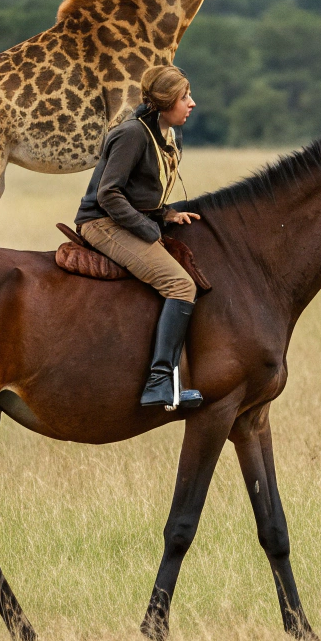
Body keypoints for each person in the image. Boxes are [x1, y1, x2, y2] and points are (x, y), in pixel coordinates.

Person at [74, 65, 203, 411]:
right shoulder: (132, 134)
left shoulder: (164, 133)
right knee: (181, 285)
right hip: (102, 223)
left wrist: (167, 214)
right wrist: (151, 230)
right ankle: (159, 382)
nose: (192, 103)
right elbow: (109, 194)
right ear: (164, 102)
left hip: (129, 220)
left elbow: (142, 192)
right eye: (184, 97)